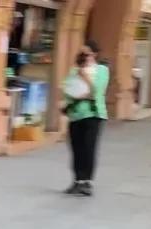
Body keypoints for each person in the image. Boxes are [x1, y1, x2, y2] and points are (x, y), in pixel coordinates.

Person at [62, 42, 110, 196]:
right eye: (81, 54)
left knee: (89, 147)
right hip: (76, 114)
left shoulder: (102, 70)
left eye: (87, 54)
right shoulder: (74, 71)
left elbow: (96, 91)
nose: (84, 57)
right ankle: (77, 180)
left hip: (93, 114)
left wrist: (84, 78)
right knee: (76, 148)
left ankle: (87, 181)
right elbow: (68, 89)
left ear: (94, 54)